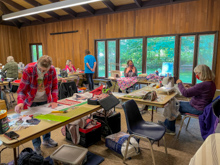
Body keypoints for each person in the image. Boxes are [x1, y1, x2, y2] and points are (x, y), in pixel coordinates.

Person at [14, 55, 58, 155]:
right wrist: (20, 102)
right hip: (31, 100)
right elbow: (22, 89)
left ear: (49, 67)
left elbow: (55, 86)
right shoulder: (28, 69)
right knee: (34, 123)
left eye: (44, 70)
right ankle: (36, 146)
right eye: (40, 69)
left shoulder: (52, 70)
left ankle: (46, 140)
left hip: (46, 99)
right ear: (37, 63)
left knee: (46, 121)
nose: (42, 72)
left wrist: (54, 100)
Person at [159, 64, 216, 135]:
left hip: (197, 108)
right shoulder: (211, 83)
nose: (196, 75)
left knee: (173, 105)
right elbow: (201, 92)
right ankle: (167, 123)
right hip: (201, 106)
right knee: (176, 103)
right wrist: (191, 88)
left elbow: (185, 93)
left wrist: (180, 83)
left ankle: (170, 129)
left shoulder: (203, 85)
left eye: (197, 73)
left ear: (202, 73)